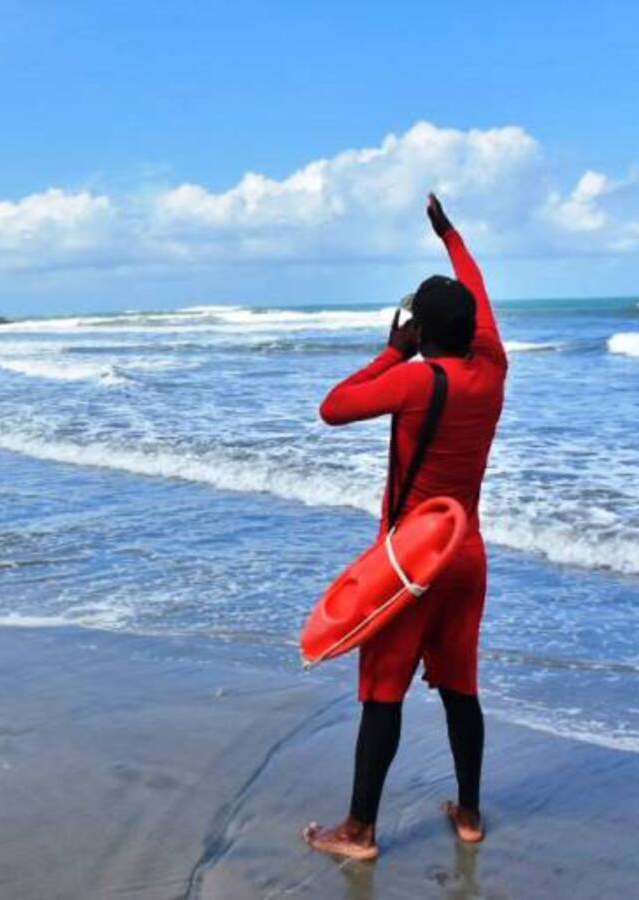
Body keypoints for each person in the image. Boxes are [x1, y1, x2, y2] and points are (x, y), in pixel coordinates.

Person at [303, 194, 507, 861]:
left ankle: (359, 831)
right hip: (467, 554)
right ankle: (470, 813)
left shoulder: (415, 382)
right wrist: (448, 231)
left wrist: (393, 353)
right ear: (475, 328)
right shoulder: (494, 369)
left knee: (383, 692)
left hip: (410, 563)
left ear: (418, 331)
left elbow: (333, 408)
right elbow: (473, 283)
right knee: (461, 689)